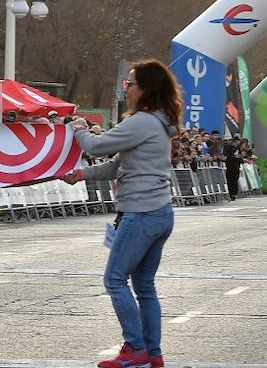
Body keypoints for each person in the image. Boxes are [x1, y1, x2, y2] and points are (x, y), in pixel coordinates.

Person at [63, 59, 180, 368]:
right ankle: (153, 354)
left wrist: (78, 128)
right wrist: (81, 175)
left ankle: (135, 347)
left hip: (141, 213)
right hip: (160, 212)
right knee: (144, 286)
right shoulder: (157, 122)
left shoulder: (141, 121)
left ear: (146, 88)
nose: (126, 89)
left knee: (115, 279)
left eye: (131, 84)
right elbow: (117, 164)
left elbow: (97, 146)